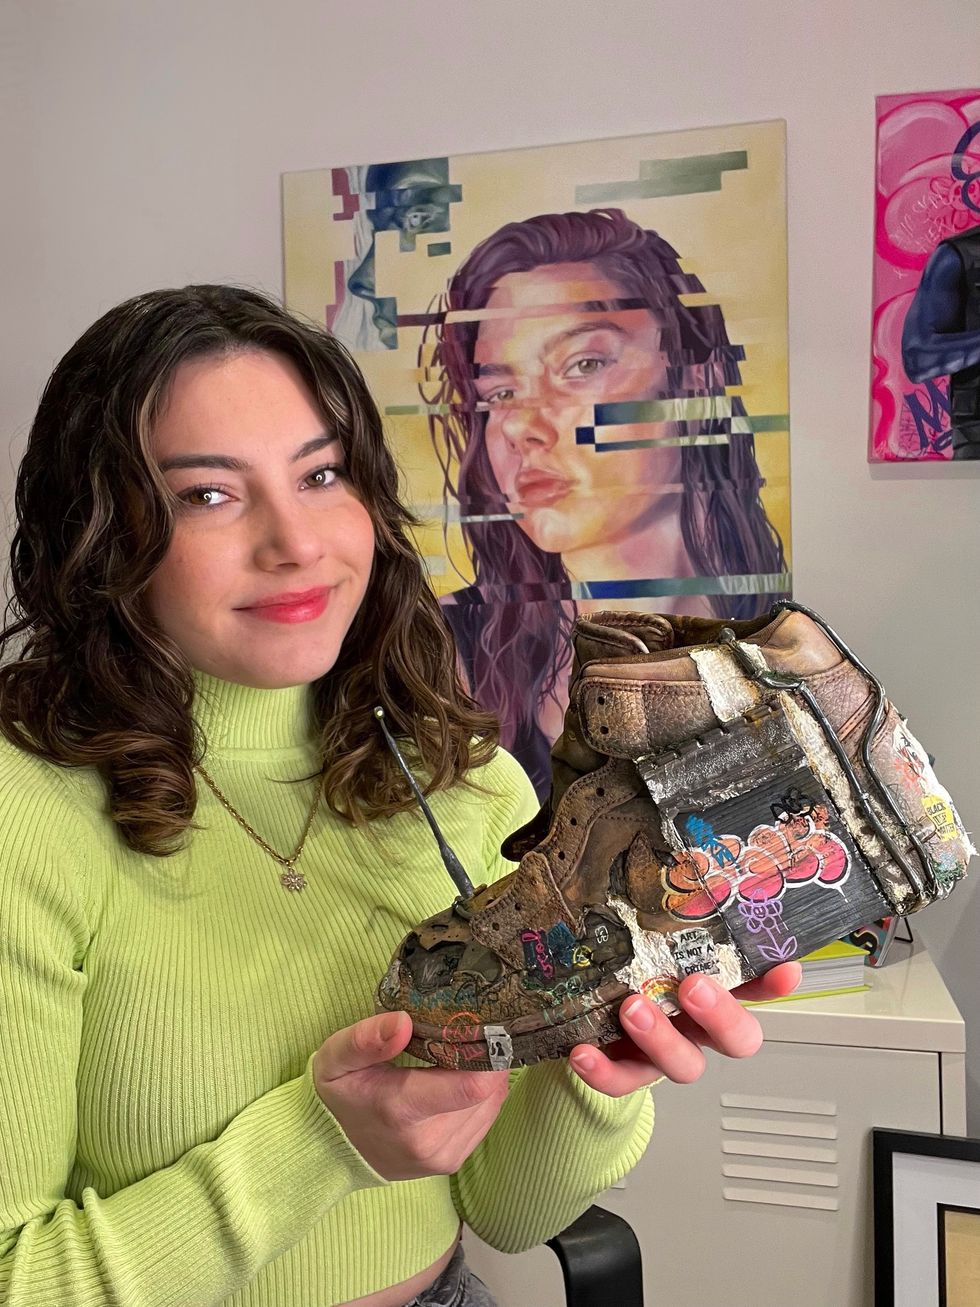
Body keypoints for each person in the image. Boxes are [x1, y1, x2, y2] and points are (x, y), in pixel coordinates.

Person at [0, 285, 799, 1307]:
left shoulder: (462, 783)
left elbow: (510, 1210)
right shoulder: (25, 806)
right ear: (102, 532)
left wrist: (592, 1063)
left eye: (321, 473)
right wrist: (321, 1141)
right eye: (209, 493)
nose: (296, 543)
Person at [426, 208, 788, 796]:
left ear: (694, 377)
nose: (523, 428)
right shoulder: (446, 649)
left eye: (583, 365)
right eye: (500, 392)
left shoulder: (786, 644)